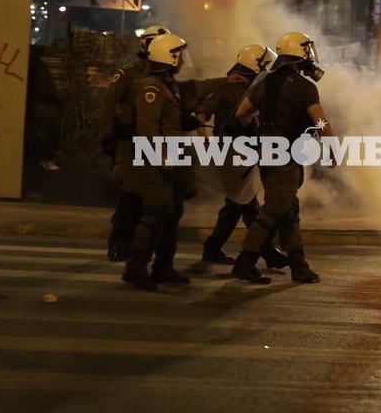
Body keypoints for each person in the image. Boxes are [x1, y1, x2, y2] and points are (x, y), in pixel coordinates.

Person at [122, 32, 228, 290]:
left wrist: (190, 121)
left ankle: (163, 268)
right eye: (179, 55)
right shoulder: (152, 87)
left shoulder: (168, 85)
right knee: (155, 214)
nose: (182, 60)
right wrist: (161, 156)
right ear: (168, 57)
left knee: (171, 215)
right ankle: (135, 269)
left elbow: (174, 118)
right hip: (158, 160)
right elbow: (147, 127)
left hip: (173, 156)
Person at [230, 31, 330, 285]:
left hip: (267, 153)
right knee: (275, 210)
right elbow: (320, 121)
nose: (310, 56)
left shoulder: (266, 82)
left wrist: (260, 130)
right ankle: (245, 261)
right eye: (307, 51)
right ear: (300, 54)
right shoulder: (305, 87)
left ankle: (298, 264)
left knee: (288, 209)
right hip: (286, 156)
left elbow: (242, 113)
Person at [195, 44, 288, 269]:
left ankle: (213, 247)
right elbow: (202, 113)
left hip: (244, 153)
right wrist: (205, 140)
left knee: (235, 205)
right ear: (255, 64)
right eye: (265, 65)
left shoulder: (254, 88)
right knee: (248, 205)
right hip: (229, 152)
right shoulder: (228, 87)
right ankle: (267, 253)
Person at [99, 25, 170, 262]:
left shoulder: (165, 77)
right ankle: (117, 244)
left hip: (152, 144)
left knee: (146, 198)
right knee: (129, 196)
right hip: (129, 142)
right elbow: (109, 105)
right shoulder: (128, 74)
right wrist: (108, 135)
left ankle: (136, 246)